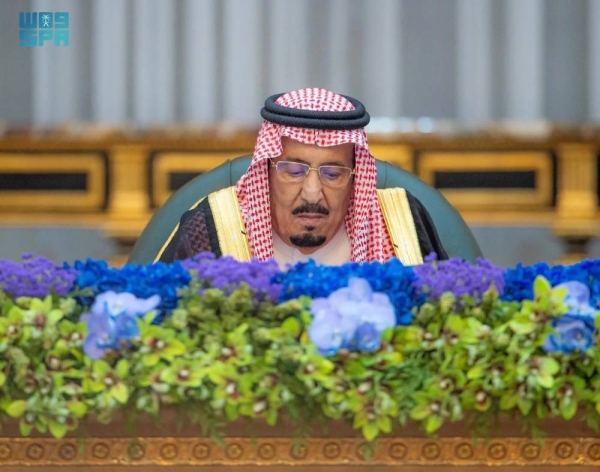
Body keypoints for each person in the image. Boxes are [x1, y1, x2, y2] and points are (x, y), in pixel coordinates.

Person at [158, 88, 447, 267]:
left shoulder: (400, 222)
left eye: (333, 173)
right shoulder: (213, 229)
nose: (312, 194)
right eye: (293, 171)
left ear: (355, 180)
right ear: (267, 171)